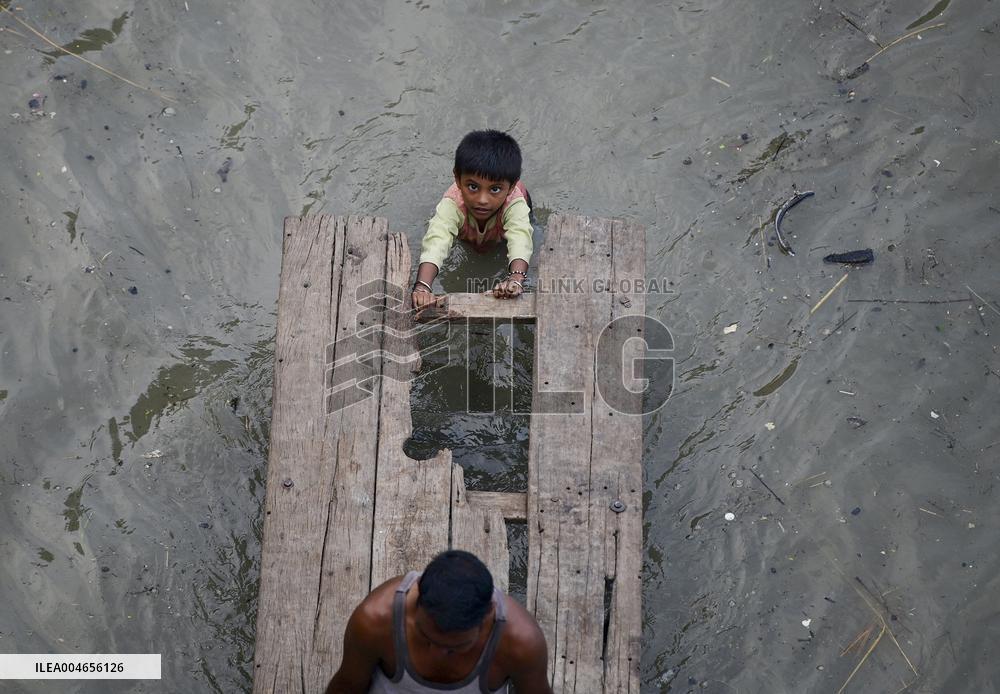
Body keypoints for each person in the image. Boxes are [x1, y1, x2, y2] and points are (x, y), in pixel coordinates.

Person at [325, 550, 552, 693]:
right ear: (416, 600)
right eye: (425, 637)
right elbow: (348, 685)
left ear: (488, 616)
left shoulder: (521, 645)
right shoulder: (374, 622)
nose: (436, 654)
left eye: (455, 648)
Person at [411, 130, 533, 312]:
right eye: (473, 186)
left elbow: (521, 238)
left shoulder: (514, 204)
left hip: (505, 227)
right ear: (457, 180)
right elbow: (437, 239)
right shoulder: (452, 204)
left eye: (495, 189)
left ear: (511, 187)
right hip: (468, 227)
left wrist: (515, 279)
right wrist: (422, 286)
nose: (482, 199)